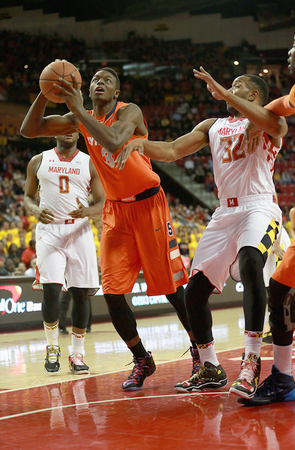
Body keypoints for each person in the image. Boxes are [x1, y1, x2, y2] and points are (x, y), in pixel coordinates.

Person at [20, 64, 198, 391]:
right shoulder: (80, 117)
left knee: (173, 290)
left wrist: (76, 111)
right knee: (113, 294)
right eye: (95, 80)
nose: (100, 82)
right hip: (116, 212)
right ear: (87, 91)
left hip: (149, 207)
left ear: (116, 93)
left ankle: (201, 352)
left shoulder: (129, 111)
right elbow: (29, 130)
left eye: (108, 81)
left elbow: (116, 142)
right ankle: (142, 358)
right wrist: (44, 95)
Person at [116, 66, 288, 399]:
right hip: (225, 211)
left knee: (252, 262)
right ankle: (209, 366)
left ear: (253, 95)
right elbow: (172, 150)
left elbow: (277, 122)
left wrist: (224, 91)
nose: (227, 90)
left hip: (259, 207)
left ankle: (251, 362)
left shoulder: (267, 122)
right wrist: (137, 144)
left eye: (236, 86)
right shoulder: (213, 126)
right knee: (194, 292)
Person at [236, 28, 295, 406]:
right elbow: (279, 105)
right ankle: (283, 379)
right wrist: (254, 120)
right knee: (279, 288)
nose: (289, 51)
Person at [23, 132, 104, 375]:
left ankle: (77, 353)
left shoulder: (89, 162)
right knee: (51, 288)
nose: (67, 130)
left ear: (79, 133)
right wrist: (35, 210)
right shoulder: (38, 160)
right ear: (54, 131)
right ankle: (52, 347)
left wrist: (88, 212)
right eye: (62, 125)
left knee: (80, 293)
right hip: (49, 229)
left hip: (79, 230)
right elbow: (27, 197)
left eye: (72, 126)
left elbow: (102, 203)